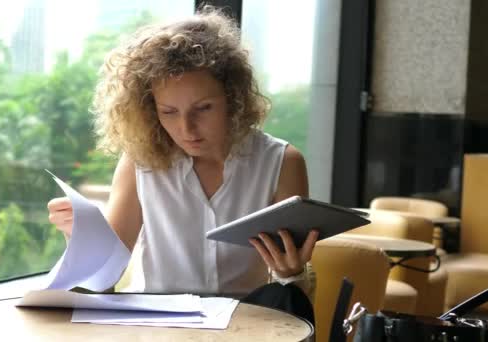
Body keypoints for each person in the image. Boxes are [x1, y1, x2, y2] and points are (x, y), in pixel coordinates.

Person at [47, 6, 318, 321]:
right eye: (169, 112)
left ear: (233, 98)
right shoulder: (139, 163)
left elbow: (290, 293)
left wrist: (291, 272)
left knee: (284, 296)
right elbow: (103, 280)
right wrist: (81, 236)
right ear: (151, 110)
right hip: (156, 327)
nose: (186, 129)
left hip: (243, 327)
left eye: (203, 108)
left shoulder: (282, 162)